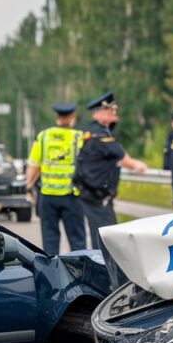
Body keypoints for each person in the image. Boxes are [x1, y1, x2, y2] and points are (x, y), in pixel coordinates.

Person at [74, 91, 147, 250]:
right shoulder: (101, 134)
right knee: (107, 241)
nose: (114, 113)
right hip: (96, 195)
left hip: (89, 192)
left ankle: (100, 270)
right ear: (98, 113)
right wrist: (139, 165)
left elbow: (116, 152)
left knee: (100, 238)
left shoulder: (90, 130)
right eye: (110, 110)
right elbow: (122, 157)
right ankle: (102, 272)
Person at [26, 102, 86, 254]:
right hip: (72, 196)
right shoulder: (79, 137)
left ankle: (52, 274)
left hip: (47, 197)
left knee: (50, 240)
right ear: (72, 117)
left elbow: (33, 165)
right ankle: (79, 274)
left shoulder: (43, 136)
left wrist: (28, 188)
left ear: (57, 117)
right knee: (77, 241)